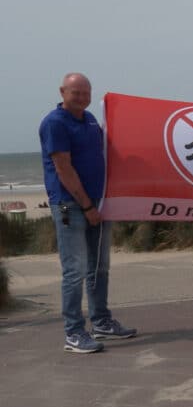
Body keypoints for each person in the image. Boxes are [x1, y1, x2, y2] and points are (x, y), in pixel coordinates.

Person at [39, 73, 136, 353]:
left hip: (99, 202)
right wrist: (88, 207)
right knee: (75, 271)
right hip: (71, 206)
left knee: (99, 267)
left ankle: (102, 321)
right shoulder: (54, 123)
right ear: (62, 92)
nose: (81, 97)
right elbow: (63, 169)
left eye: (85, 92)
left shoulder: (91, 120)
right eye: (75, 92)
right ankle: (73, 333)